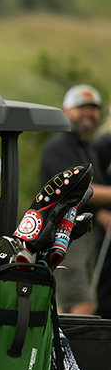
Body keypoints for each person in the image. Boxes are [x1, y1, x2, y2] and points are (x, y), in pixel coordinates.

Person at [40, 84, 111, 316]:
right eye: (82, 107)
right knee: (79, 304)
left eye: (93, 108)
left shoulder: (87, 148)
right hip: (65, 235)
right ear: (65, 110)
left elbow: (89, 198)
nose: (88, 113)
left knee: (81, 299)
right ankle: (73, 352)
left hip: (81, 234)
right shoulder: (59, 145)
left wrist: (101, 215)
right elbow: (78, 191)